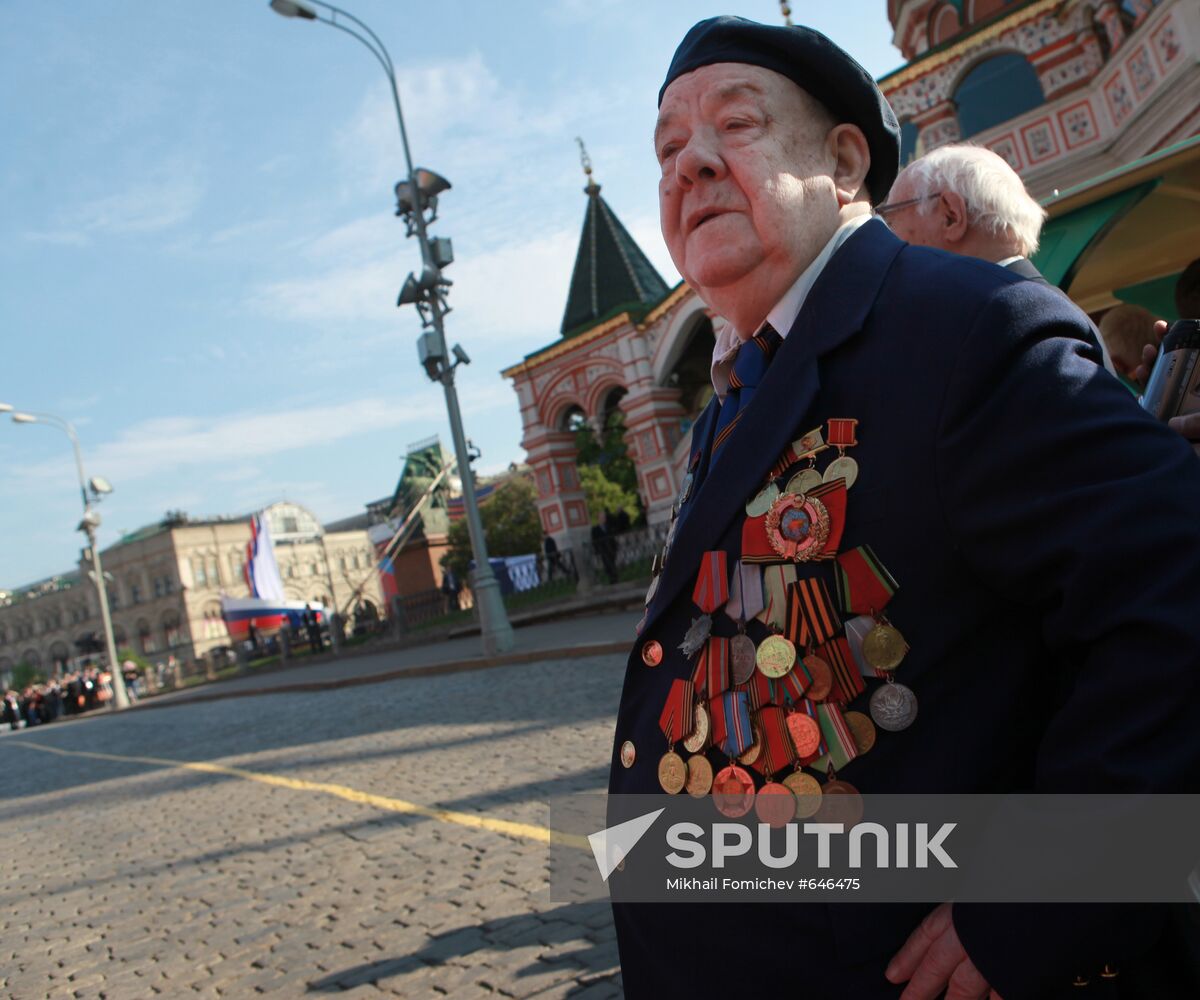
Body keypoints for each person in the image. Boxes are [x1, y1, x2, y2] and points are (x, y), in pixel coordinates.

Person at [609, 15, 1200, 1000]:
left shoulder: (964, 326)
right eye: (668, 149)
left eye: (735, 126)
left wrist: (1043, 895)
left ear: (843, 163)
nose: (689, 166)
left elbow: (1179, 591)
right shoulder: (737, 399)